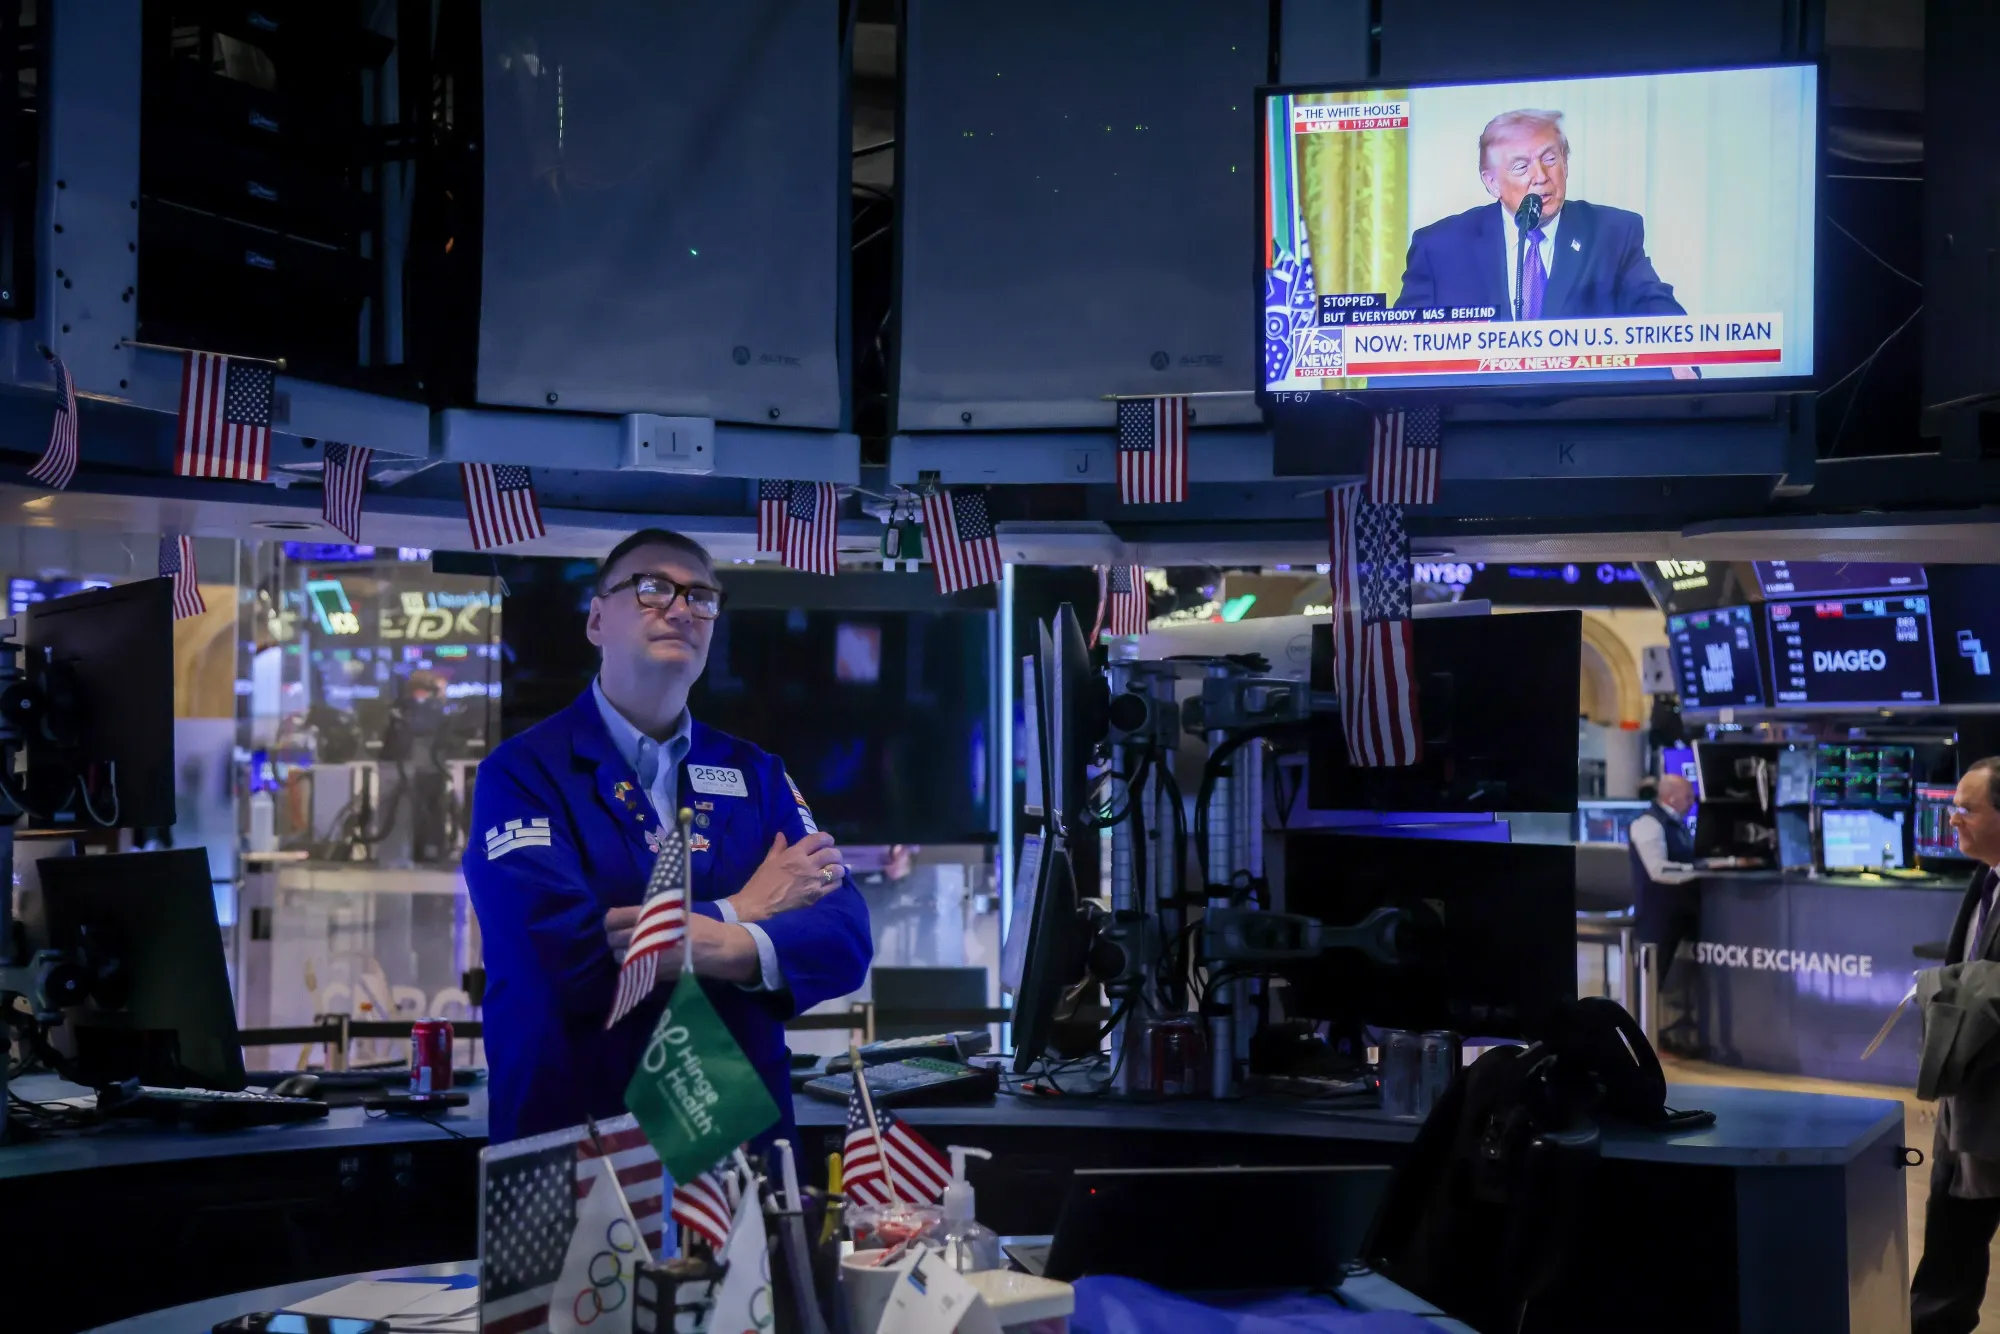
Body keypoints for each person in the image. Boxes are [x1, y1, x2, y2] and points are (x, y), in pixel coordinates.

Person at [464, 527, 872, 1146]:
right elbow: (555, 955)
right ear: (597, 619)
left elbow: (843, 934)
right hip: (577, 1131)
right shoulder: (523, 774)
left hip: (732, 1134)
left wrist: (708, 944)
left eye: (702, 597)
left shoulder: (754, 773)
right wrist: (745, 911)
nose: (681, 608)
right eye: (653, 588)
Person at [1393, 109, 1688, 330]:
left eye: (1550, 159)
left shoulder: (1611, 233)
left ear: (1566, 164)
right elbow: (1403, 341)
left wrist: (1680, 357)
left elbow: (1654, 303)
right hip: (1477, 408)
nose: (1541, 177)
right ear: (1492, 182)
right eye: (1521, 167)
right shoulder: (1440, 247)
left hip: (1580, 406)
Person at [1912, 758, 2000, 1334]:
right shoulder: (1985, 877)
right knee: (1949, 1239)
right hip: (1965, 1099)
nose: (1954, 818)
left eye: (1967, 808)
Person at [1628, 774, 1699, 982]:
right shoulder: (1648, 824)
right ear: (1671, 798)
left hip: (1681, 910)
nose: (1692, 803)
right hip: (1658, 913)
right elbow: (1658, 870)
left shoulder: (1678, 825)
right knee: (1650, 979)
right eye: (1688, 797)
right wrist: (1696, 869)